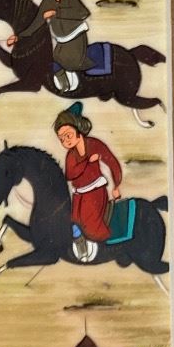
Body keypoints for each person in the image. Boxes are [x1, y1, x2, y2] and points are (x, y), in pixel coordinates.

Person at [7, 0, 91, 93]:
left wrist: (57, 13)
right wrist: (18, 37)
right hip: (61, 43)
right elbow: (35, 25)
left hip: (76, 41)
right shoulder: (47, 2)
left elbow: (83, 13)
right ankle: (64, 82)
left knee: (67, 61)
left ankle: (70, 83)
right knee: (50, 61)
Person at [54, 102, 122, 263]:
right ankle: (81, 245)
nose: (66, 141)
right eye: (61, 139)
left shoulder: (94, 145)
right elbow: (70, 174)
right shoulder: (71, 155)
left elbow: (112, 162)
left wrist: (116, 185)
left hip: (95, 193)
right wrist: (87, 161)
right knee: (73, 221)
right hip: (79, 195)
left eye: (68, 135)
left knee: (90, 224)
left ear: (78, 129)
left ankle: (106, 248)